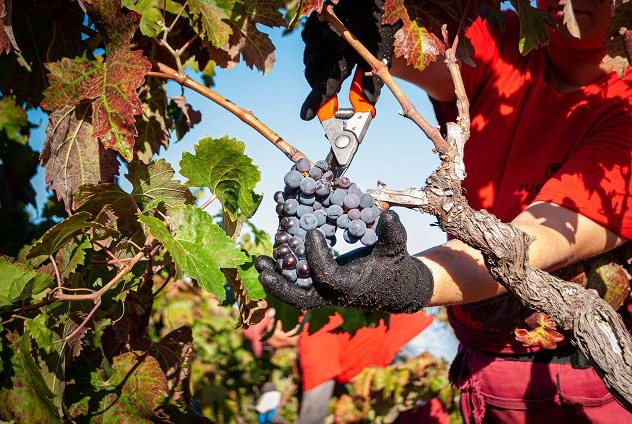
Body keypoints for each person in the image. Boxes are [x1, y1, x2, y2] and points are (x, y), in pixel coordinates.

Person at [255, 0, 632, 422]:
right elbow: (420, 50)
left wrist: (408, 281)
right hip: (480, 373)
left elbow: (529, 246)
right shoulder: (508, 36)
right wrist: (354, 28)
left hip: (588, 389)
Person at [245, 307, 457, 423]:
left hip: (420, 347)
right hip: (418, 344)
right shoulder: (317, 316)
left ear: (275, 327)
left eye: (267, 343)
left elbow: (314, 411)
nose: (271, 350)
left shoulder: (312, 336)